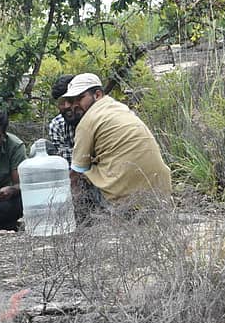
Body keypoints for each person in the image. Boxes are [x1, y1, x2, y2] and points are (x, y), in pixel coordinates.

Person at [61, 73, 172, 218]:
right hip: (160, 195)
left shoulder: (87, 121)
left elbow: (77, 171)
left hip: (123, 201)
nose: (75, 104)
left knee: (80, 177)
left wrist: (61, 208)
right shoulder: (120, 108)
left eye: (80, 98)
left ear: (98, 95)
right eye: (73, 100)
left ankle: (88, 219)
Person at [47, 74, 81, 163]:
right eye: (61, 101)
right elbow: (66, 164)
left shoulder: (98, 120)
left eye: (70, 100)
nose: (66, 106)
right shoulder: (57, 125)